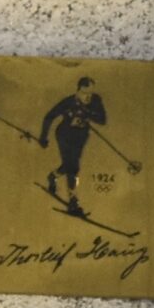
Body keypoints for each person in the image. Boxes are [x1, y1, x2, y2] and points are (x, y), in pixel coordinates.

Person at [39, 76, 107, 215]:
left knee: (70, 164)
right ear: (78, 91)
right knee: (73, 166)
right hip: (64, 135)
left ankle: (53, 176)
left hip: (80, 136)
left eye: (90, 93)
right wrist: (43, 137)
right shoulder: (69, 102)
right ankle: (73, 201)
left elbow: (102, 120)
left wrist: (87, 114)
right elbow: (49, 116)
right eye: (84, 93)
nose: (87, 97)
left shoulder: (95, 100)